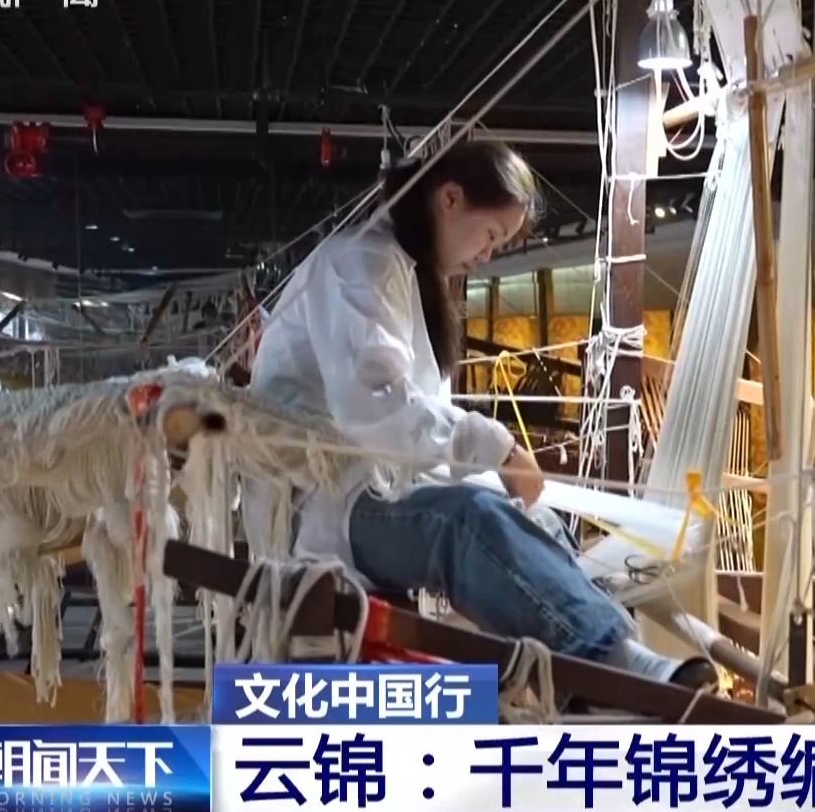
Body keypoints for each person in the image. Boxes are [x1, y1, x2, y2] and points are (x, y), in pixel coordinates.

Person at [246, 139, 713, 690]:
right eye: (490, 234)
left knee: (534, 519)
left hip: (374, 487)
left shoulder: (401, 269)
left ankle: (607, 660)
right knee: (467, 521)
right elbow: (374, 408)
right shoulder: (360, 264)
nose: (488, 254)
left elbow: (411, 420)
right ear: (449, 199)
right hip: (330, 501)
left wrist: (493, 465)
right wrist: (497, 449)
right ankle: (611, 667)